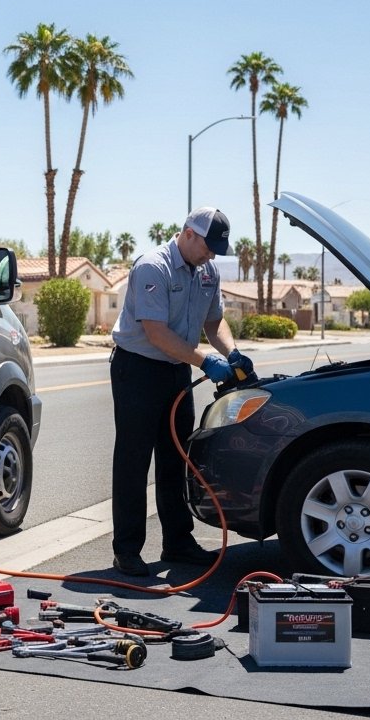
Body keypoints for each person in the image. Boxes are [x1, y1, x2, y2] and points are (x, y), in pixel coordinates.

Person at [107, 207, 254, 576]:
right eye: (208, 246)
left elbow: (213, 320)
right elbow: (156, 333)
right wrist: (205, 362)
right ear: (188, 233)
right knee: (133, 461)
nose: (212, 255)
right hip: (138, 369)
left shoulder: (208, 270)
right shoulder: (152, 267)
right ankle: (126, 550)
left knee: (176, 457)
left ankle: (177, 542)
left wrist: (230, 352)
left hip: (176, 371)